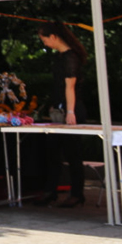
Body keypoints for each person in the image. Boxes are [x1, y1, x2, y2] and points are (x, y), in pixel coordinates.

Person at [36, 21, 88, 207]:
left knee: (73, 153)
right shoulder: (60, 57)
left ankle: (76, 192)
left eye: (44, 39)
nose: (44, 43)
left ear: (54, 37)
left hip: (70, 109)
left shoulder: (70, 57)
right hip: (59, 107)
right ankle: (51, 191)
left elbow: (70, 87)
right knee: (53, 151)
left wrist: (70, 111)